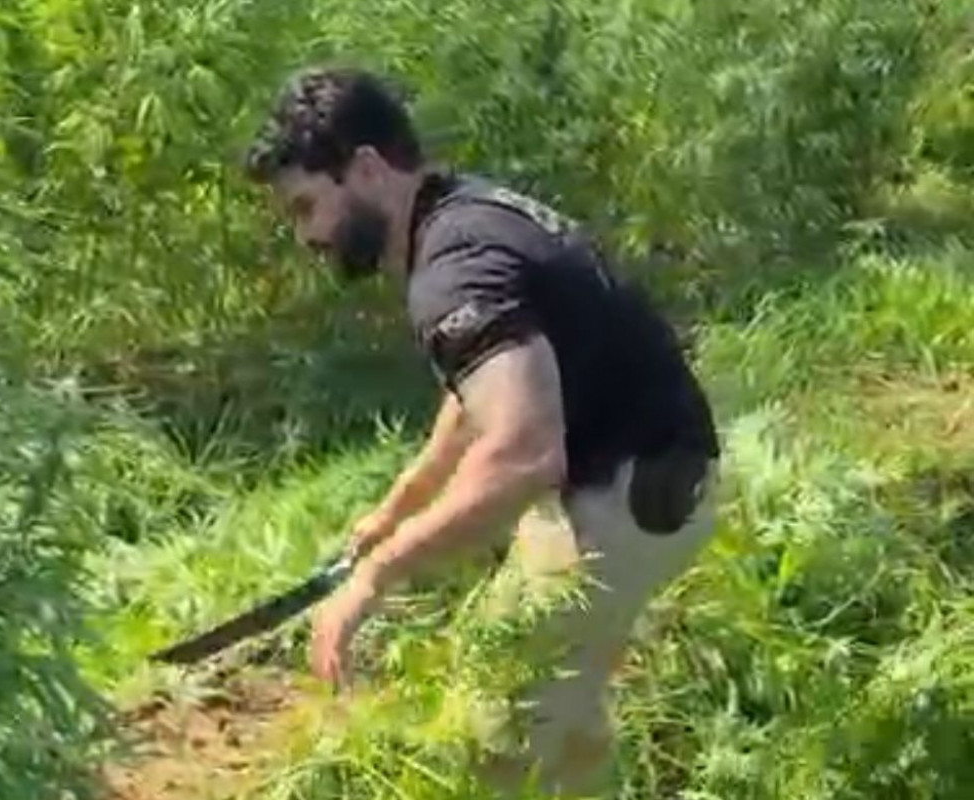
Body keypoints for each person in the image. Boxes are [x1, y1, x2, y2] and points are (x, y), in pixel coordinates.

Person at [241, 65, 722, 796]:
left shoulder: (456, 271)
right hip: (646, 473)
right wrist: (401, 508)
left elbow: (522, 452)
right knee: (554, 712)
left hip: (630, 496)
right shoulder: (466, 213)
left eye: (308, 206)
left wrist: (377, 574)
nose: (307, 235)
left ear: (366, 170)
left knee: (499, 718)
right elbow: (483, 395)